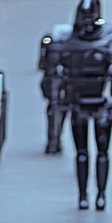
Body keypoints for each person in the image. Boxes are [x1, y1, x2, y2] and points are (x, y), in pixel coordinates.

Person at [53, 0, 112, 210]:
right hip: (78, 103)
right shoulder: (68, 39)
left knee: (101, 151)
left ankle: (100, 193)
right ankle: (83, 194)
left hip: (102, 103)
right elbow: (54, 68)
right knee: (81, 152)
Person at [39, 23, 73, 153]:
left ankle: (52, 140)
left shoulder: (49, 42)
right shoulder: (72, 44)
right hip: (66, 81)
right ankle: (57, 138)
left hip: (51, 80)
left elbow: (42, 63)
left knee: (52, 109)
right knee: (63, 109)